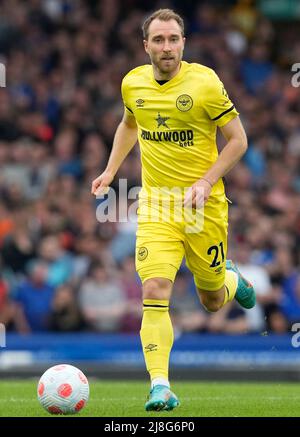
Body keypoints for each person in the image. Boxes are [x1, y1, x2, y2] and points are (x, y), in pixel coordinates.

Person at [91, 8, 255, 412]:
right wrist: (111, 171)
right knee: (154, 290)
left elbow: (238, 141)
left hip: (205, 207)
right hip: (157, 206)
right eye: (159, 40)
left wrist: (206, 180)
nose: (167, 47)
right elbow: (130, 124)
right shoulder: (133, 83)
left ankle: (229, 279)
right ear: (145, 45)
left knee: (212, 301)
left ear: (184, 42)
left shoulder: (205, 83)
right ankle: (160, 385)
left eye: (174, 39)